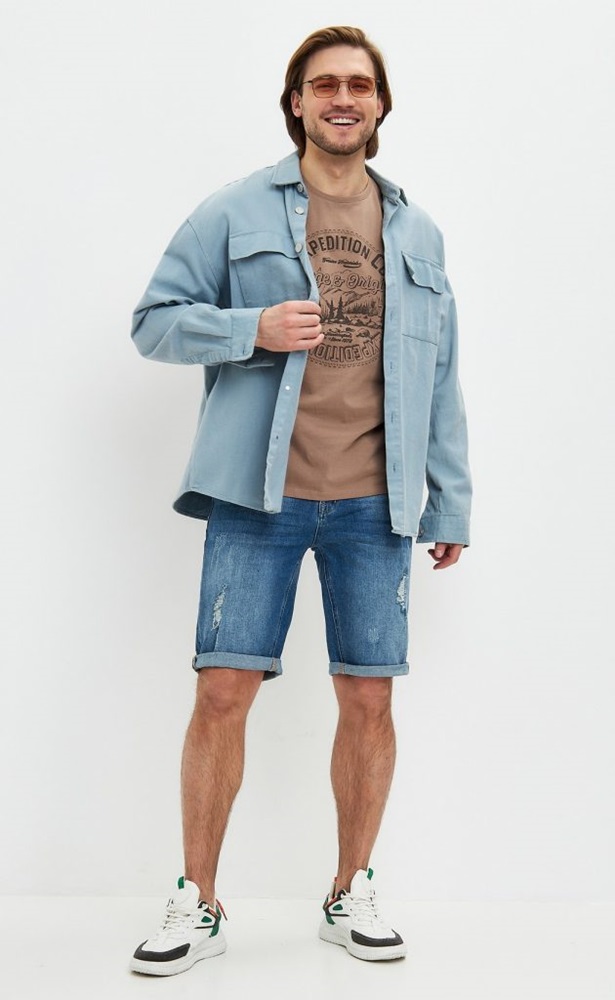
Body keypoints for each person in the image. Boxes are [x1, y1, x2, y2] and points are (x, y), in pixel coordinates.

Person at [129, 24, 471, 976]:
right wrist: (252, 327)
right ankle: (197, 901)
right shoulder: (234, 210)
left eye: (358, 84)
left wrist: (448, 504)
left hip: (375, 503)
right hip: (258, 495)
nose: (342, 99)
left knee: (368, 697)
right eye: (324, 85)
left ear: (380, 103)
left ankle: (348, 891)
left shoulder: (417, 231)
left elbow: (441, 378)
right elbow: (152, 324)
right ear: (296, 102)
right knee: (221, 692)